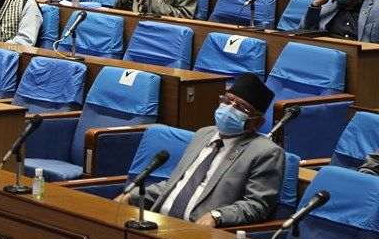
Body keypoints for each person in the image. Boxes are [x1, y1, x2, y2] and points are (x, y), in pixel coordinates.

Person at [115, 73, 285, 228]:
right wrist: (133, 196)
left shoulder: (266, 152)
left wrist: (217, 216)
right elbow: (179, 183)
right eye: (227, 101)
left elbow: (257, 205)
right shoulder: (204, 134)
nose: (229, 109)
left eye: (241, 108)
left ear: (257, 122)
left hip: (200, 232)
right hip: (158, 222)